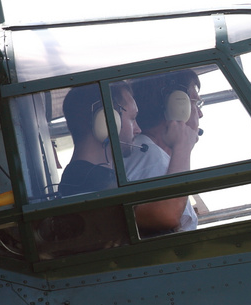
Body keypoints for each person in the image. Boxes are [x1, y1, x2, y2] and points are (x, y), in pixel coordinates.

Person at [56, 81, 194, 235]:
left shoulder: (91, 177)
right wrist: (182, 147)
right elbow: (167, 215)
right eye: (132, 118)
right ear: (107, 121)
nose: (138, 129)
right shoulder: (87, 182)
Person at [122, 68, 202, 233]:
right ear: (176, 107)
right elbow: (165, 219)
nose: (200, 114)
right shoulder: (150, 159)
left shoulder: (147, 152)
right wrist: (183, 147)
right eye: (195, 102)